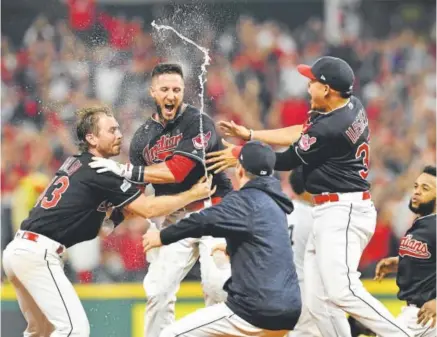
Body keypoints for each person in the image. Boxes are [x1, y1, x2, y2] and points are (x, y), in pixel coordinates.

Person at [206, 56, 412, 336]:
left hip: (344, 210)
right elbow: (303, 133)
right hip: (333, 210)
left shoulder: (332, 125)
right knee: (317, 304)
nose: (308, 87)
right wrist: (253, 134)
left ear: (327, 89)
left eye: (312, 81)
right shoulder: (349, 106)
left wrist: (241, 153)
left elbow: (288, 160)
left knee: (343, 291)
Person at [1, 106, 215, 337]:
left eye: (119, 129)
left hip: (19, 251)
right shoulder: (101, 171)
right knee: (74, 329)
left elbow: (113, 218)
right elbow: (147, 209)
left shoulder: (78, 163)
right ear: (91, 138)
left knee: (40, 331)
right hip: (38, 254)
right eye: (111, 130)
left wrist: (119, 213)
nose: (119, 134)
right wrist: (192, 194)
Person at [88, 63, 233, 336]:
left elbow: (178, 170)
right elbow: (137, 192)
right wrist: (110, 221)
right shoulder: (143, 137)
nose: (171, 95)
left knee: (216, 285)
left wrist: (122, 169)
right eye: (165, 89)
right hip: (174, 217)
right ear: (153, 91)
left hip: (214, 209)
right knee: (158, 289)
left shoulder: (198, 122)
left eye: (177, 89)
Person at [142, 141, 301, 337]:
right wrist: (229, 251)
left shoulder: (245, 199)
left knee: (171, 334)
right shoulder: (275, 205)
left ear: (240, 170)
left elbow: (202, 220)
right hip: (288, 313)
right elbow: (262, 248)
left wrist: (162, 236)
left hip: (253, 312)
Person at [375, 166, 436, 337]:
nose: (416, 192)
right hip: (418, 315)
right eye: (416, 186)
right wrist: (399, 262)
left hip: (424, 315)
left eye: (425, 188)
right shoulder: (423, 222)